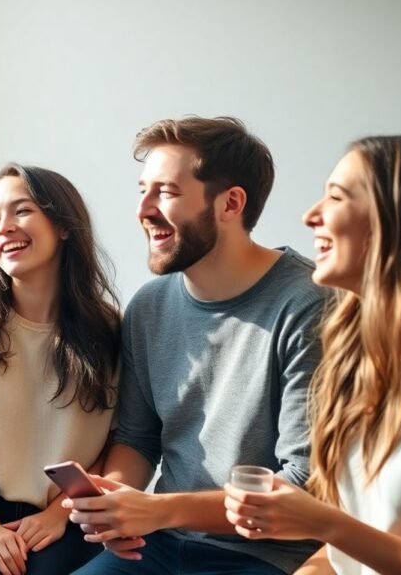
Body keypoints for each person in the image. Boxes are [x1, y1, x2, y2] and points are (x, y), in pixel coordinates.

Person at [68, 116, 326, 574]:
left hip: (262, 556)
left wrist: (162, 510)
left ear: (230, 204)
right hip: (160, 547)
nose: (143, 209)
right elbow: (137, 438)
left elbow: (303, 483)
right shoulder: (149, 307)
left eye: (165, 192)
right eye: (142, 190)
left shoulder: (308, 305)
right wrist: (113, 501)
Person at [224, 135, 401, 574]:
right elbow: (346, 560)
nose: (310, 216)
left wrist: (324, 523)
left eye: (335, 197)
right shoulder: (357, 362)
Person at [0, 163, 122, 575]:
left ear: (64, 225)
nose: (5, 227)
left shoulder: (109, 329)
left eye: (22, 211)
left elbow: (114, 446)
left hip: (69, 517)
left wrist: (58, 514)